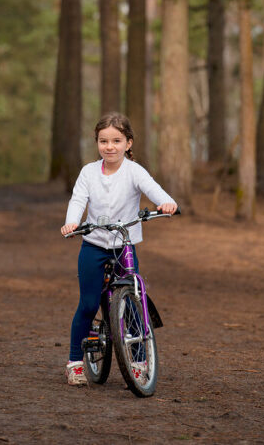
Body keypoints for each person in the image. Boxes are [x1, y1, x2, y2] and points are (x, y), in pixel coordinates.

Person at [60, 112, 177, 386]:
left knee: (134, 305)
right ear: (97, 143)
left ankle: (138, 362)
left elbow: (154, 189)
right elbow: (78, 199)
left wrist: (167, 203)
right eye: (103, 141)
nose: (109, 146)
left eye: (116, 140)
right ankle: (75, 361)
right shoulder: (88, 172)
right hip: (94, 244)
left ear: (128, 143)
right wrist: (72, 222)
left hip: (124, 245)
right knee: (88, 304)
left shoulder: (134, 171)